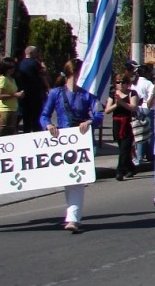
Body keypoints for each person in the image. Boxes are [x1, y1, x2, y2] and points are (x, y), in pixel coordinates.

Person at [40, 58, 102, 233]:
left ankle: (73, 218)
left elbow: (98, 114)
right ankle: (73, 215)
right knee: (69, 179)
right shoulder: (55, 93)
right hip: (62, 141)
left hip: (80, 141)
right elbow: (44, 115)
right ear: (73, 74)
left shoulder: (87, 95)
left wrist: (89, 121)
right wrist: (48, 125)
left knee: (77, 179)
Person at [105, 74, 140, 180]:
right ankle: (131, 168)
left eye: (123, 82)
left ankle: (119, 171)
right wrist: (117, 104)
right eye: (118, 82)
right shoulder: (113, 94)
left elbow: (133, 107)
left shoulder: (132, 93)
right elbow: (107, 110)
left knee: (125, 148)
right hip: (117, 123)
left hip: (128, 123)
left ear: (127, 84)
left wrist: (122, 102)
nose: (120, 84)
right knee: (122, 148)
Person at [16, 46, 48, 133]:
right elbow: (43, 72)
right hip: (35, 95)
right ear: (32, 53)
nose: (37, 54)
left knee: (26, 119)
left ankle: (26, 133)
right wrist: (43, 64)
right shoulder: (35, 63)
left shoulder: (20, 64)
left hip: (24, 95)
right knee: (36, 119)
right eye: (36, 52)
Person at [0, 57, 23, 136]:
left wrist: (19, 94)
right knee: (3, 133)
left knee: (11, 133)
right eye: (11, 67)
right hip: (4, 110)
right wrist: (15, 95)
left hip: (13, 109)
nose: (13, 69)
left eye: (14, 67)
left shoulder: (12, 79)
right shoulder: (2, 79)